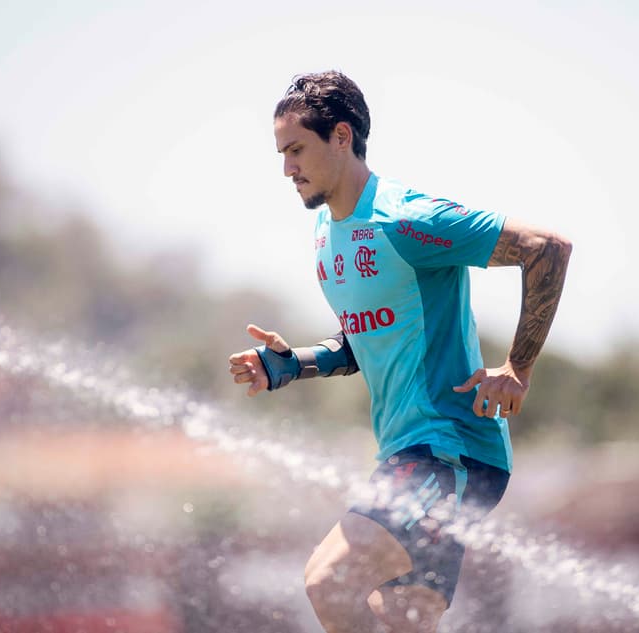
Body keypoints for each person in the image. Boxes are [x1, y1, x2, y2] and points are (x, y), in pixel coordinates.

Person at [228, 70, 572, 633]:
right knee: (399, 624)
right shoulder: (325, 237)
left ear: (341, 137)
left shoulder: (407, 218)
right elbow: (360, 343)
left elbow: (547, 249)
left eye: (296, 150)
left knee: (329, 582)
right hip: (412, 454)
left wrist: (518, 367)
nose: (287, 169)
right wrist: (291, 365)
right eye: (281, 154)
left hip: (448, 452)